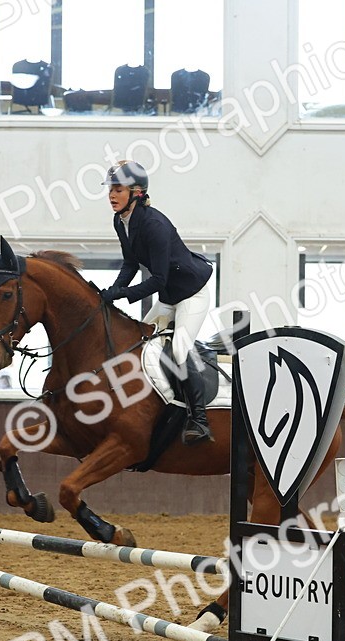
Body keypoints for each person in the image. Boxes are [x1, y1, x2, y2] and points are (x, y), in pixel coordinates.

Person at [99, 160, 216, 444]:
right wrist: (112, 292)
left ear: (136, 192)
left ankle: (199, 420)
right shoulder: (121, 221)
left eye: (118, 189)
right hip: (168, 297)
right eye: (110, 190)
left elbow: (159, 279)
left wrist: (123, 295)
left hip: (191, 294)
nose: (111, 195)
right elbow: (130, 264)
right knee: (137, 343)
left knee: (178, 349)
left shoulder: (155, 225)